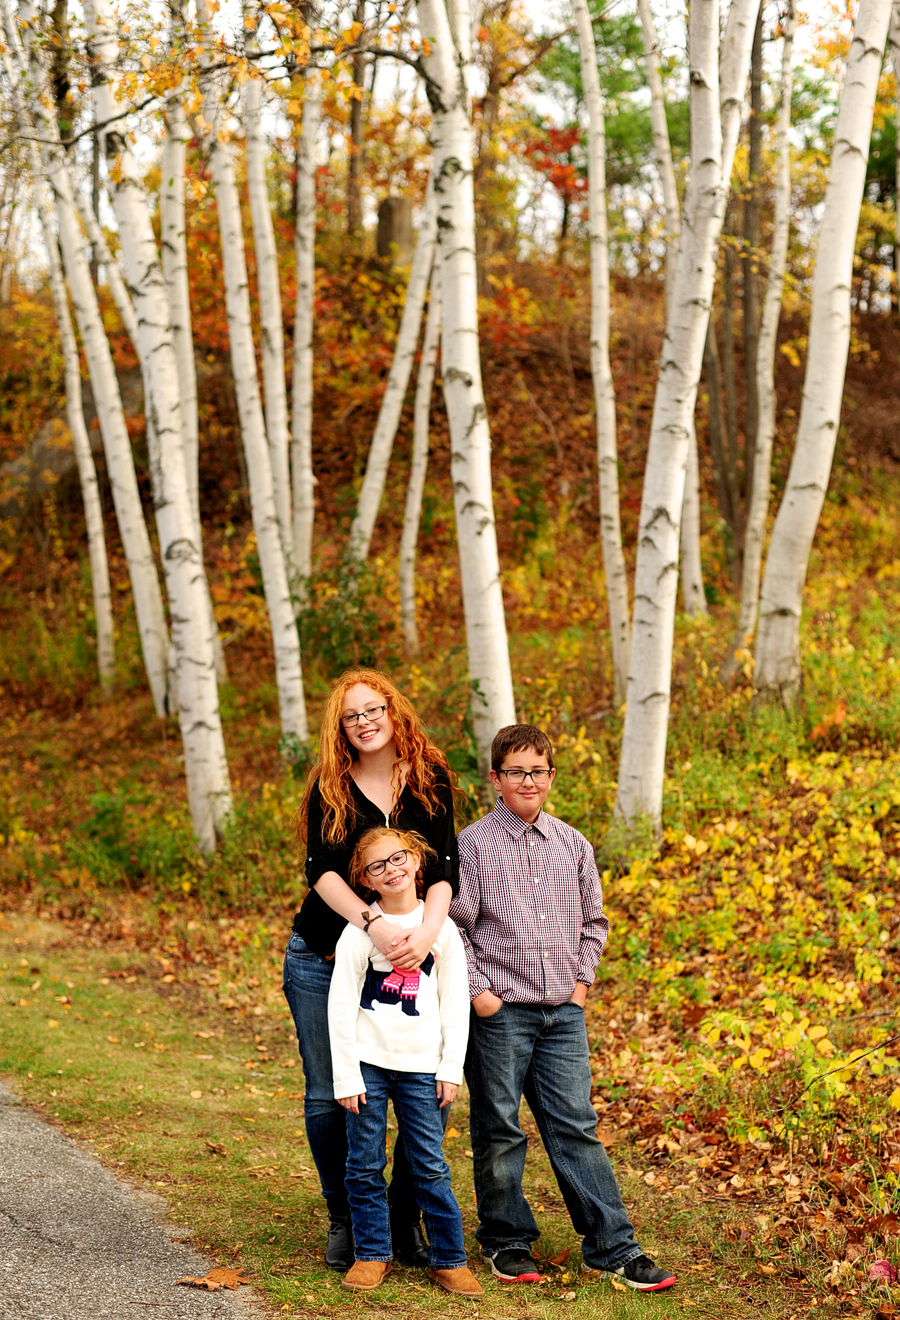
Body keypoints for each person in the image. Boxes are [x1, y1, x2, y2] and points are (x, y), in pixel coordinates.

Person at [450, 723, 676, 1293]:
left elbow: (594, 923)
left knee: (576, 1127)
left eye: (539, 771)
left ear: (551, 776)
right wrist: (481, 994)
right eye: (517, 771)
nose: (529, 781)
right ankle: (507, 1241)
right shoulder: (473, 845)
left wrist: (580, 986)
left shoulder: (574, 844)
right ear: (496, 778)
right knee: (500, 1128)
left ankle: (613, 1248)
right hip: (501, 1014)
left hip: (561, 1015)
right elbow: (454, 929)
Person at [283, 669, 459, 1272]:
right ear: (341, 728)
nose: (364, 722)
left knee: (422, 1084)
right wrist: (373, 923)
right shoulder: (329, 786)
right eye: (351, 715)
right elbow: (322, 871)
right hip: (325, 954)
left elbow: (443, 872)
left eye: (373, 709)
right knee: (333, 1091)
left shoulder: (431, 780)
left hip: (411, 960)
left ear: (393, 711)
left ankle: (402, 1216)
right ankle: (347, 1217)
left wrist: (428, 934)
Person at [328, 827, 482, 1298]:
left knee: (429, 1165)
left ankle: (449, 1259)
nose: (391, 870)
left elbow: (455, 1002)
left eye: (398, 859)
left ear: (417, 862)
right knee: (364, 1163)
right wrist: (346, 1073)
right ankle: (372, 1253)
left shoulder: (442, 930)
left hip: (422, 1068)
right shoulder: (359, 932)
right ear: (366, 880)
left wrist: (450, 1067)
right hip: (368, 1064)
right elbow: (339, 1005)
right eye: (378, 866)